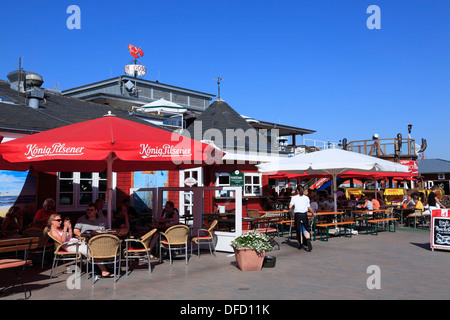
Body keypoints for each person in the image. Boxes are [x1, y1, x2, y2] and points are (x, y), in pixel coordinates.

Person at [45, 214, 112, 278]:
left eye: (61, 220)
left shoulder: (59, 229)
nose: (61, 222)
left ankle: (101, 267)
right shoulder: (53, 231)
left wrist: (70, 228)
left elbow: (70, 237)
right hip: (70, 246)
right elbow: (63, 241)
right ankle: (103, 271)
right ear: (52, 221)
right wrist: (65, 227)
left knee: (95, 246)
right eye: (58, 220)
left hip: (74, 242)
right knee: (90, 250)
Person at [289, 186, 315, 252]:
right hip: (304, 214)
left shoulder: (294, 198)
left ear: (297, 190)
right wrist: (313, 212)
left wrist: (291, 211)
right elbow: (309, 207)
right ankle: (308, 240)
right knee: (305, 228)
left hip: (297, 215)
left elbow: (290, 206)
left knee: (299, 230)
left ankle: (301, 245)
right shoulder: (306, 197)